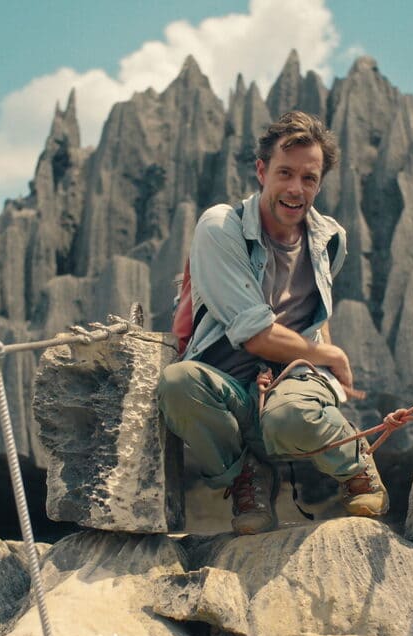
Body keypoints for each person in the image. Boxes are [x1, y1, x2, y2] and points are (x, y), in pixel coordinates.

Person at [157, 110, 388, 535]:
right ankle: (251, 475)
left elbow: (316, 312)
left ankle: (354, 462)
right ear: (262, 171)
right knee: (176, 384)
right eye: (285, 173)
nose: (296, 189)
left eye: (309, 178)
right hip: (227, 383)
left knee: (288, 417)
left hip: (292, 382)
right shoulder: (219, 226)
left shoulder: (329, 239)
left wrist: (318, 374)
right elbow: (254, 332)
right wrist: (329, 355)